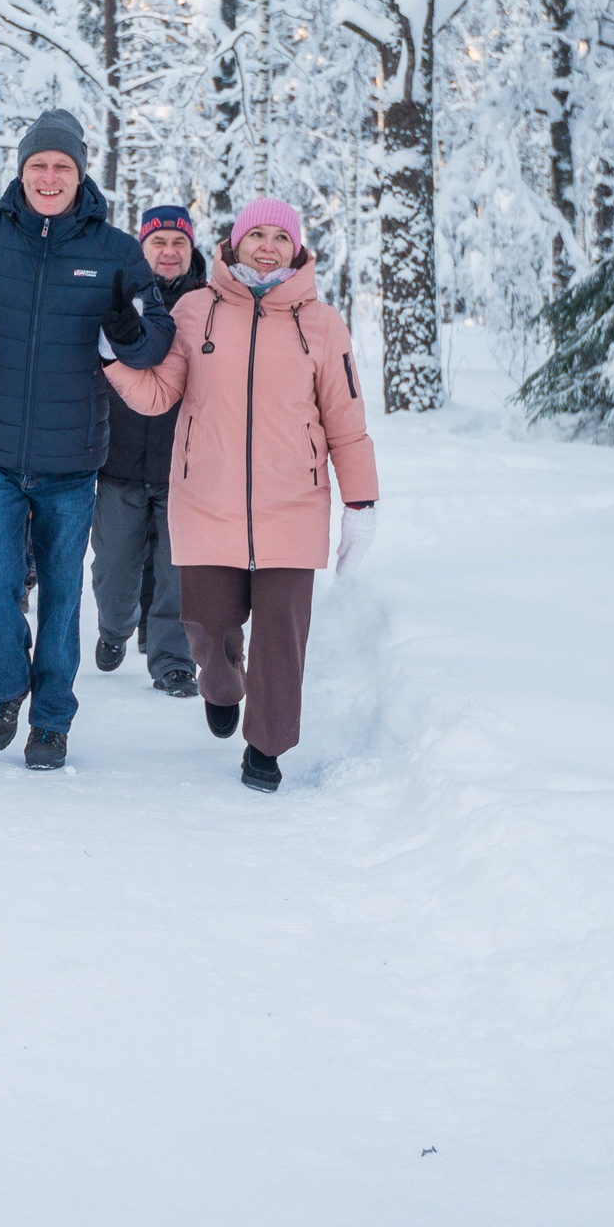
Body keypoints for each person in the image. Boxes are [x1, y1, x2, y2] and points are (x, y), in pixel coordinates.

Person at [0, 110, 175, 770]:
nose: (49, 177)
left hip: (72, 458)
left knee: (60, 596)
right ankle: (5, 690)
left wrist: (127, 330)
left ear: (80, 171)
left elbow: (154, 337)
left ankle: (51, 720)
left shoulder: (114, 252)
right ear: (21, 170)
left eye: (61, 166)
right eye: (38, 165)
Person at [103, 197, 377, 792]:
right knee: (205, 622)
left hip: (293, 506)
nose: (269, 246)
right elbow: (158, 396)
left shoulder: (323, 324)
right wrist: (112, 360)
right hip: (205, 499)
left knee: (282, 637)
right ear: (236, 242)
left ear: (297, 249)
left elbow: (347, 421)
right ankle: (221, 685)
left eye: (282, 237)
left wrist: (360, 503)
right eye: (258, 235)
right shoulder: (198, 310)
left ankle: (266, 748)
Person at [91, 205, 209, 696]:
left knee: (176, 573)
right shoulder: (121, 293)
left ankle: (172, 660)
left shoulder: (209, 306)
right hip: (117, 460)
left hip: (184, 467)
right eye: (158, 242)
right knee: (114, 570)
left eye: (178, 243)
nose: (169, 251)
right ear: (142, 248)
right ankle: (115, 628)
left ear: (191, 249)